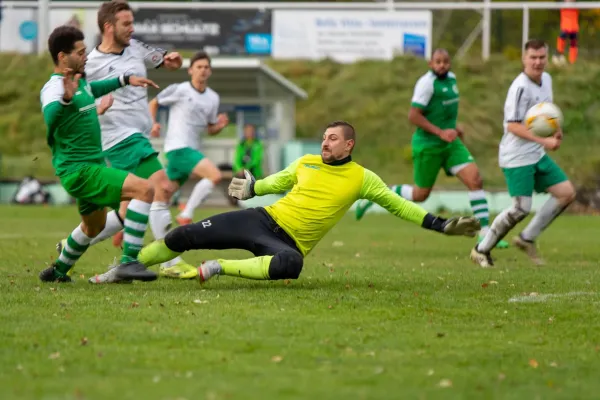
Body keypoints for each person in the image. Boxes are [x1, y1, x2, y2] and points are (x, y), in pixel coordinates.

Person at [110, 121, 482, 284]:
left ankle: (220, 267)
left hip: (286, 243)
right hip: (261, 219)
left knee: (292, 265)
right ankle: (123, 268)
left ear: (349, 145)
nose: (325, 143)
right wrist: (251, 188)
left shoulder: (363, 178)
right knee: (183, 235)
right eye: (323, 137)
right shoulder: (305, 162)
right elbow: (272, 183)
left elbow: (400, 206)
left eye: (333, 139)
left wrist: (439, 224)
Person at [53, 1, 196, 283]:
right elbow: (75, 98)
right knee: (162, 186)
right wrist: (93, 109)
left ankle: (74, 247)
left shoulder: (134, 47)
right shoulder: (89, 63)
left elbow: (160, 57)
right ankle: (168, 262)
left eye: (132, 23)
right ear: (109, 27)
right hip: (118, 138)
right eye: (126, 24)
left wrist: (171, 60)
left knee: (123, 213)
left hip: (138, 136)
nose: (132, 28)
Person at [39, 25, 159, 283]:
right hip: (80, 170)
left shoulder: (79, 83)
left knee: (94, 227)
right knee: (145, 190)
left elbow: (95, 90)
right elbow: (51, 119)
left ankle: (58, 271)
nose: (85, 57)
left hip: (87, 167)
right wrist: (66, 101)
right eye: (80, 52)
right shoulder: (55, 88)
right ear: (62, 57)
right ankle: (129, 262)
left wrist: (125, 80)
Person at [354, 48, 508, 249]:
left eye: (445, 61)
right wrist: (440, 132)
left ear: (450, 63)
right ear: (430, 64)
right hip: (428, 145)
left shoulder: (452, 79)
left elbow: (445, 111)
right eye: (438, 62)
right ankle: (380, 194)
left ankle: (486, 234)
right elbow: (413, 116)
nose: (442, 65)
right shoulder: (426, 84)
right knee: (420, 195)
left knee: (475, 180)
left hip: (450, 144)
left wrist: (454, 129)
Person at [470, 39, 576, 268]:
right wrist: (544, 141)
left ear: (547, 58)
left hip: (536, 154)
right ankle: (481, 249)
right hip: (517, 157)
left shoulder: (546, 79)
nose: (537, 62)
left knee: (566, 193)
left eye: (541, 57)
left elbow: (546, 113)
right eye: (533, 57)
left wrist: (556, 132)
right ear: (524, 59)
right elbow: (513, 126)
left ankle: (526, 238)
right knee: (520, 208)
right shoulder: (519, 87)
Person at [145, 50, 229, 278]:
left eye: (206, 67)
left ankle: (166, 259)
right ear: (191, 70)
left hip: (191, 150)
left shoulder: (213, 97)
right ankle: (186, 214)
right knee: (214, 176)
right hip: (178, 148)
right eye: (198, 66)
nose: (202, 70)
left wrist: (219, 126)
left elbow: (209, 128)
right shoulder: (180, 89)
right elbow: (154, 102)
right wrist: (153, 124)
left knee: (162, 196)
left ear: (210, 71)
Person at [554, 0, 579, 65]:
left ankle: (572, 61)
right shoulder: (563, 5)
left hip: (573, 26)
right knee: (562, 37)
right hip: (566, 26)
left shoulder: (575, 6)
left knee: (573, 43)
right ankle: (559, 53)